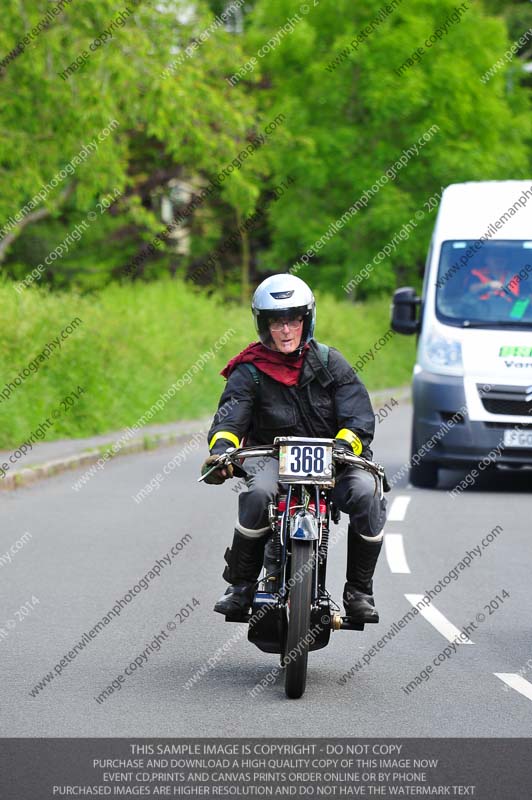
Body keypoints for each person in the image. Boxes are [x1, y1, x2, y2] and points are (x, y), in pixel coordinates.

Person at [200, 273, 387, 623]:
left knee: (366, 492)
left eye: (293, 321)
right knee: (257, 494)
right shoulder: (250, 371)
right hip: (272, 459)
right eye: (276, 322)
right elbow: (230, 419)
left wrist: (342, 446)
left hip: (336, 462)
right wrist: (221, 451)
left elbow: (359, 417)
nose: (285, 330)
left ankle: (359, 592)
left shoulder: (332, 363)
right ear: (263, 325)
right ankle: (241, 587)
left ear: (306, 321)